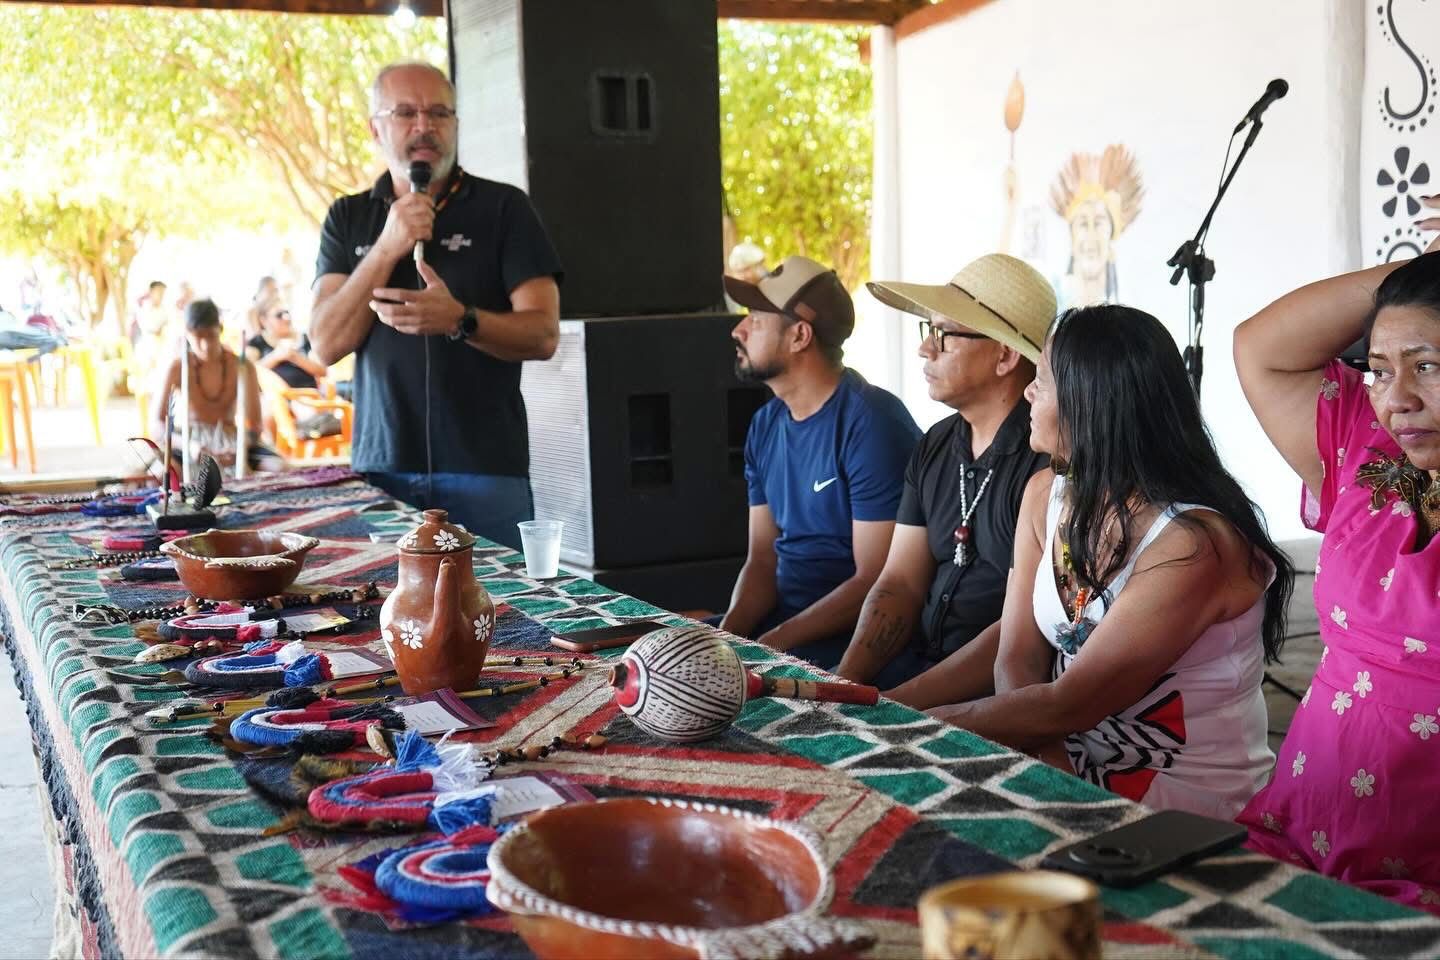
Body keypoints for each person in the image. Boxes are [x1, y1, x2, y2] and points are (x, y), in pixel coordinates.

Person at [928, 304, 1294, 820]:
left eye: (1046, 379)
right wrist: (1049, 770)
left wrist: (919, 725)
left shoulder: (1193, 544)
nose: (1030, 391)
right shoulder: (1043, 494)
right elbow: (1017, 657)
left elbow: (1070, 704)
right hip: (1064, 760)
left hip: (1187, 804)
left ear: (1093, 403)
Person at [1232, 228, 1440, 911]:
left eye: (1428, 366)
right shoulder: (1367, 448)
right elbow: (1260, 348)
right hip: (1295, 836)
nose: (1397, 396)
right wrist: (1422, 269)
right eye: (1380, 368)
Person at [309, 62, 562, 544]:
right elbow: (324, 344)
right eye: (406, 112)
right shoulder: (349, 216)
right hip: (383, 469)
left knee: (503, 614)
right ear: (375, 128)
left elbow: (544, 335)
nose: (424, 126)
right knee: (385, 614)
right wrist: (387, 246)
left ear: (456, 125)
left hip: (485, 469)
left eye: (439, 113)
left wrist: (461, 319)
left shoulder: (505, 208)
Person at [835, 254, 1053, 692]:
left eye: (943, 335)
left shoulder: (1048, 457)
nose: (924, 347)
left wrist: (902, 705)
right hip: (915, 672)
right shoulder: (934, 443)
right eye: (927, 331)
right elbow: (898, 582)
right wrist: (845, 682)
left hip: (996, 693)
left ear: (1006, 355)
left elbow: (1025, 633)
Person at [718, 255, 920, 669]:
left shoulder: (873, 424)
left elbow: (874, 581)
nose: (738, 330)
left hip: (849, 642)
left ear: (800, 336)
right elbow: (762, 559)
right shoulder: (765, 423)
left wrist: (771, 645)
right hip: (783, 627)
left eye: (755, 319)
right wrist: (727, 639)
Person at [153, 299, 263, 467]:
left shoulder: (243, 366)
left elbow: (255, 426)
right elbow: (158, 425)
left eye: (211, 336)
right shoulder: (178, 367)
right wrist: (188, 446)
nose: (205, 346)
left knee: (278, 468)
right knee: (162, 475)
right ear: (187, 334)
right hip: (188, 441)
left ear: (220, 329)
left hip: (231, 440)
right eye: (198, 338)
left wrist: (240, 447)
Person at [247, 300, 326, 392]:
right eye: (279, 315)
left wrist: (294, 357)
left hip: (308, 398)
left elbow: (322, 371)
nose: (286, 317)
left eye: (287, 313)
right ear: (264, 320)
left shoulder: (305, 339)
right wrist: (275, 357)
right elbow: (247, 374)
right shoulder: (256, 342)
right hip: (272, 400)